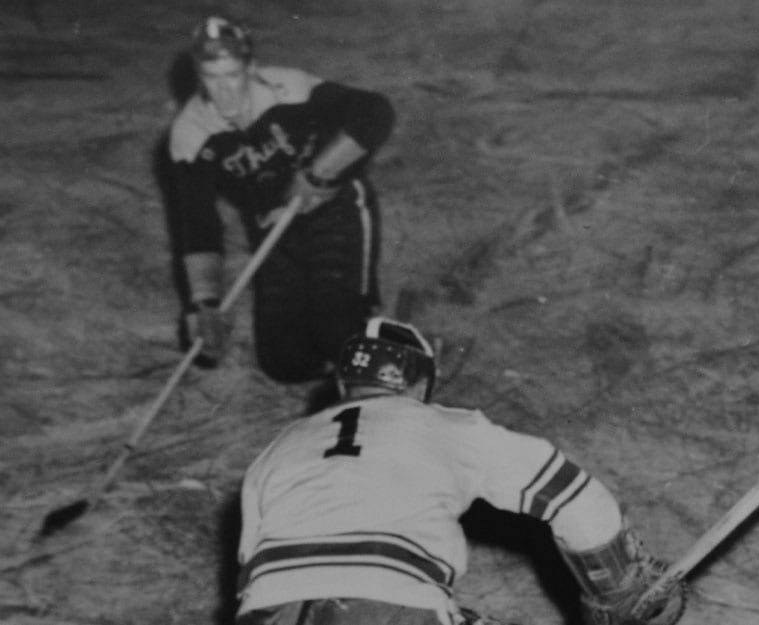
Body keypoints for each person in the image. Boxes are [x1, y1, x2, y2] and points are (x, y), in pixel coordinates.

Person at [234, 316, 686, 625]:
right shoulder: (447, 425)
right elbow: (575, 499)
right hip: (393, 605)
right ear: (418, 381)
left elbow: (251, 577)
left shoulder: (278, 447)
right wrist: (621, 590)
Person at [165, 15, 395, 383]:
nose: (223, 92)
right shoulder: (190, 136)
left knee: (339, 331)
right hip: (272, 224)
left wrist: (319, 173)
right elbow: (197, 225)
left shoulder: (290, 89)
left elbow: (375, 112)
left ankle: (386, 344)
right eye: (211, 79)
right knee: (285, 363)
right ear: (198, 76)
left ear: (250, 69)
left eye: (232, 76)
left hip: (334, 206)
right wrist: (205, 302)